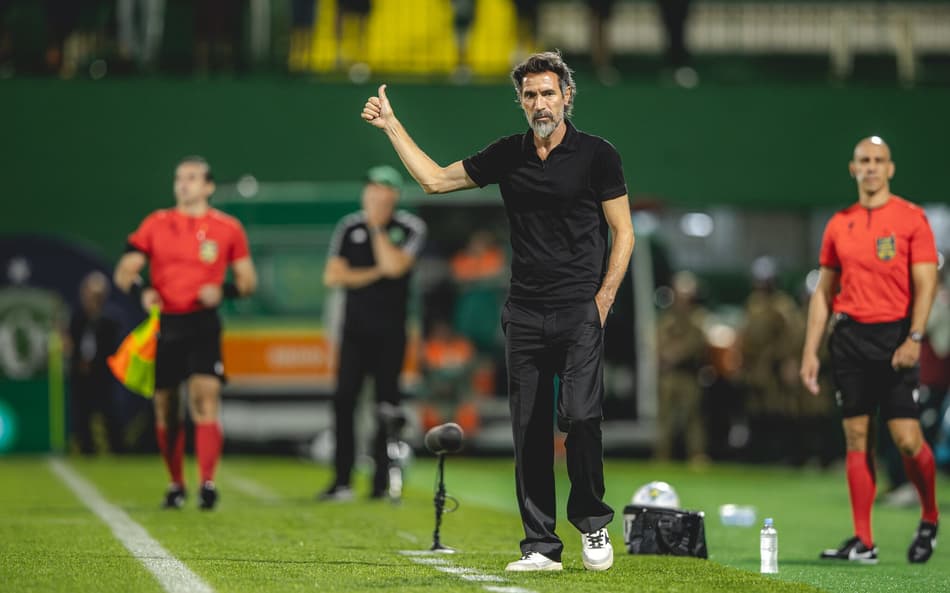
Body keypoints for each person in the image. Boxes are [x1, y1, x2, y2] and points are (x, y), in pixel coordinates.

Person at [360, 50, 635, 572]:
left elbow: (624, 233)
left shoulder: (599, 155)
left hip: (580, 309)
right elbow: (434, 181)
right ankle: (540, 546)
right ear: (520, 101)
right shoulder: (508, 154)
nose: (540, 103)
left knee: (581, 417)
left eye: (548, 93)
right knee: (529, 430)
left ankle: (593, 524)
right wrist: (392, 126)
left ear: (567, 96)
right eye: (530, 95)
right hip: (526, 313)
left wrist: (603, 299)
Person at [800, 136, 939, 564]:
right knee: (857, 437)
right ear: (853, 168)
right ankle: (864, 541)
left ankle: (930, 517)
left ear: (890, 169)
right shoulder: (839, 223)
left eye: (879, 160)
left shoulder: (912, 218)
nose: (872, 167)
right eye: (864, 160)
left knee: (907, 439)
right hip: (850, 341)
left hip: (896, 338)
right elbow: (824, 293)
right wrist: (811, 351)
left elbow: (925, 283)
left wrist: (915, 337)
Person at [114, 156, 256, 510]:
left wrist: (223, 292)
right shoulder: (156, 223)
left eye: (192, 178)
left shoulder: (228, 228)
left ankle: (208, 484)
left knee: (204, 398)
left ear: (208, 186)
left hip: (203, 323)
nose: (184, 184)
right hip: (167, 325)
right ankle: (176, 484)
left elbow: (248, 281)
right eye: (179, 178)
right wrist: (142, 291)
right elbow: (125, 271)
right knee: (166, 406)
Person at [318, 165, 426, 502]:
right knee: (344, 402)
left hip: (391, 333)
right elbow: (333, 276)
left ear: (393, 194)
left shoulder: (409, 226)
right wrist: (377, 271)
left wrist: (378, 229)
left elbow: (397, 266)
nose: (374, 195)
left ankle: (381, 482)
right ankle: (342, 480)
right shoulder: (349, 226)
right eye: (370, 188)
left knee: (386, 406)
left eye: (381, 189)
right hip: (353, 331)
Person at [655, 270, 708, 463]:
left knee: (692, 418)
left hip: (689, 374)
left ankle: (696, 456)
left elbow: (697, 342)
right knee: (665, 419)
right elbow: (658, 341)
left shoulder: (697, 318)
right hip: (669, 376)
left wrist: (675, 354)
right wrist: (665, 354)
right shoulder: (668, 318)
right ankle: (663, 456)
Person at [67, 271, 121, 455]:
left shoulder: (110, 319)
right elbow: (72, 343)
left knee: (108, 412)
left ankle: (117, 449)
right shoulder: (77, 318)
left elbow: (111, 348)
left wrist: (94, 363)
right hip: (80, 374)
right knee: (82, 413)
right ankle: (86, 449)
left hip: (101, 373)